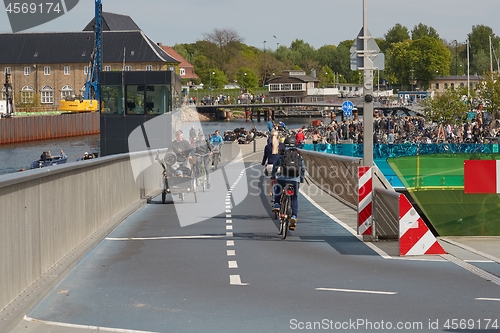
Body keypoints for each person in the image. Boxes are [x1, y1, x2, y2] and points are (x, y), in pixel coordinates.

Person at [271, 136, 306, 230]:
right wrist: (301, 178)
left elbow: (275, 165)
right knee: (294, 198)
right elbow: (302, 168)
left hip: (283, 178)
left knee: (277, 187)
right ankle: (294, 216)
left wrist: (273, 175)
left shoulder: (282, 153)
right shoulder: (298, 155)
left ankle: (277, 204)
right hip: (295, 180)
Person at [262, 130, 283, 196]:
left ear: (270, 137)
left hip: (270, 166)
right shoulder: (282, 146)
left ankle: (270, 192)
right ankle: (281, 191)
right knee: (281, 178)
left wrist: (263, 163)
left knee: (272, 178)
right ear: (278, 137)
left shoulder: (267, 147)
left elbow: (265, 156)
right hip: (279, 166)